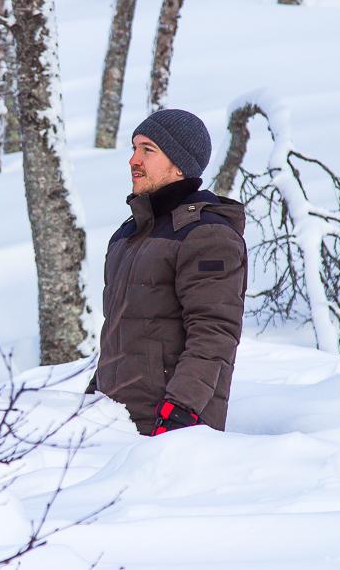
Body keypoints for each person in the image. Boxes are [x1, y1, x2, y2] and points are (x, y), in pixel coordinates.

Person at [86, 109, 248, 435]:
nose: (134, 159)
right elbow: (121, 335)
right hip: (113, 424)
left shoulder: (205, 235)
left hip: (173, 431)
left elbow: (213, 334)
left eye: (148, 150)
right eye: (134, 148)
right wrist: (93, 395)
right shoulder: (128, 236)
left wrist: (181, 410)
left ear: (179, 165)